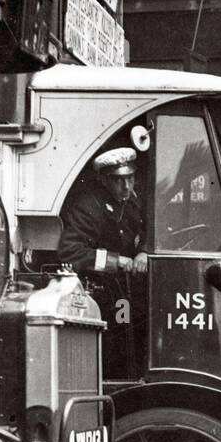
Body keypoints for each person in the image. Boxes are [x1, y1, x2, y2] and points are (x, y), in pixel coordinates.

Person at [57, 147, 147, 375]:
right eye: (119, 181)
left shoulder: (133, 199)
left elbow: (149, 226)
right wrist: (115, 261)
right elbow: (70, 251)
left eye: (130, 178)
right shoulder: (89, 206)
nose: (127, 186)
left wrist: (144, 251)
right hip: (101, 294)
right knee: (115, 346)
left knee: (131, 337)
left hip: (125, 292)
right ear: (103, 180)